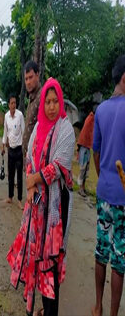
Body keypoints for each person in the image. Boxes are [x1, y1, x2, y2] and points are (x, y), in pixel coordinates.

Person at [7, 78, 75, 316]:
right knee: (37, 259)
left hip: (55, 211)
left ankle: (50, 311)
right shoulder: (37, 128)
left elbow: (59, 166)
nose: (52, 107)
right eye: (48, 102)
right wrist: (30, 186)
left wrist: (34, 179)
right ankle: (43, 309)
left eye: (56, 101)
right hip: (37, 207)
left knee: (51, 263)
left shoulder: (66, 129)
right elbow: (29, 159)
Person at [92, 54, 125, 316]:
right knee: (120, 260)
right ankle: (113, 314)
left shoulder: (101, 110)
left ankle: (97, 306)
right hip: (123, 197)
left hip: (103, 192)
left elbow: (96, 151)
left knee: (101, 251)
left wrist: (102, 175)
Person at [1, 95, 26, 209]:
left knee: (19, 177)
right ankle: (10, 197)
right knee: (10, 175)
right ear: (8, 105)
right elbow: (5, 132)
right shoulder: (6, 116)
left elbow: (24, 132)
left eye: (15, 103)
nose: (14, 105)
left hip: (19, 150)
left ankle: (20, 200)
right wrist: (3, 146)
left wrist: (25, 149)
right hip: (10, 150)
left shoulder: (20, 115)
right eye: (12, 103)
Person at [23, 61, 43, 157]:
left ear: (37, 75)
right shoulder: (32, 98)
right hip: (28, 159)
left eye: (31, 77)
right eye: (26, 79)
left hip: (37, 159)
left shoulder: (43, 97)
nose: (28, 82)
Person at [76, 109, 95, 197]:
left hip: (86, 147)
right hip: (84, 146)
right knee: (82, 168)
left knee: (86, 168)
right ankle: (80, 188)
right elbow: (86, 134)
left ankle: (83, 187)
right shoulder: (90, 119)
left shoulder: (92, 119)